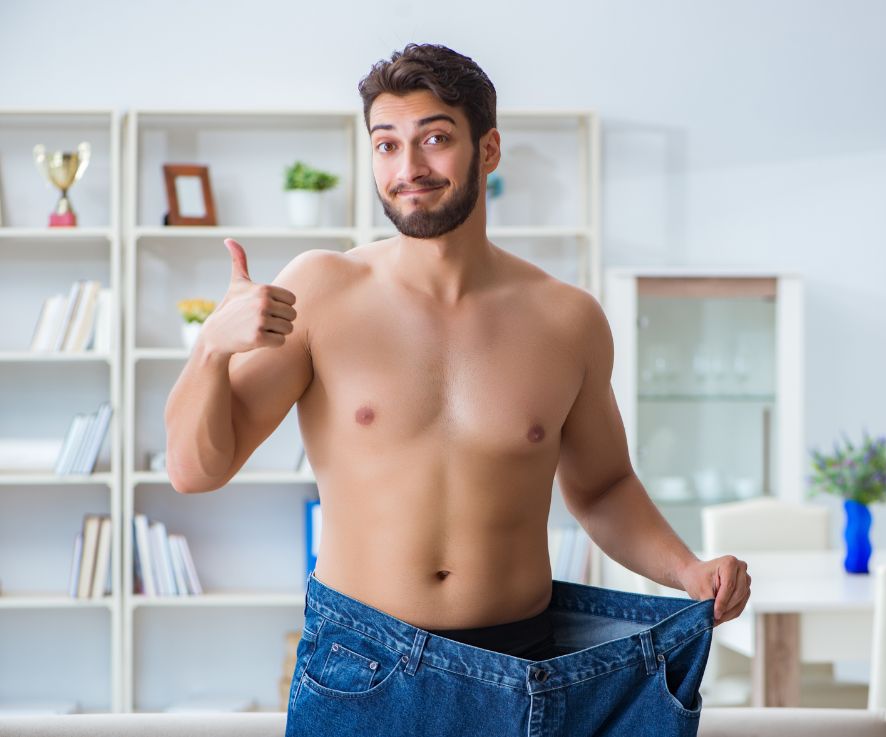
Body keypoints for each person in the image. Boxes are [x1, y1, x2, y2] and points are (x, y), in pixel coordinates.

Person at [164, 42, 750, 737]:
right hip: (365, 664)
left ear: (489, 148)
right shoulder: (321, 290)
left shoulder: (567, 319)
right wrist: (211, 348)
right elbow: (194, 469)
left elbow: (603, 486)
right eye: (386, 145)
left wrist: (687, 569)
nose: (407, 168)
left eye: (434, 138)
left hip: (530, 672)